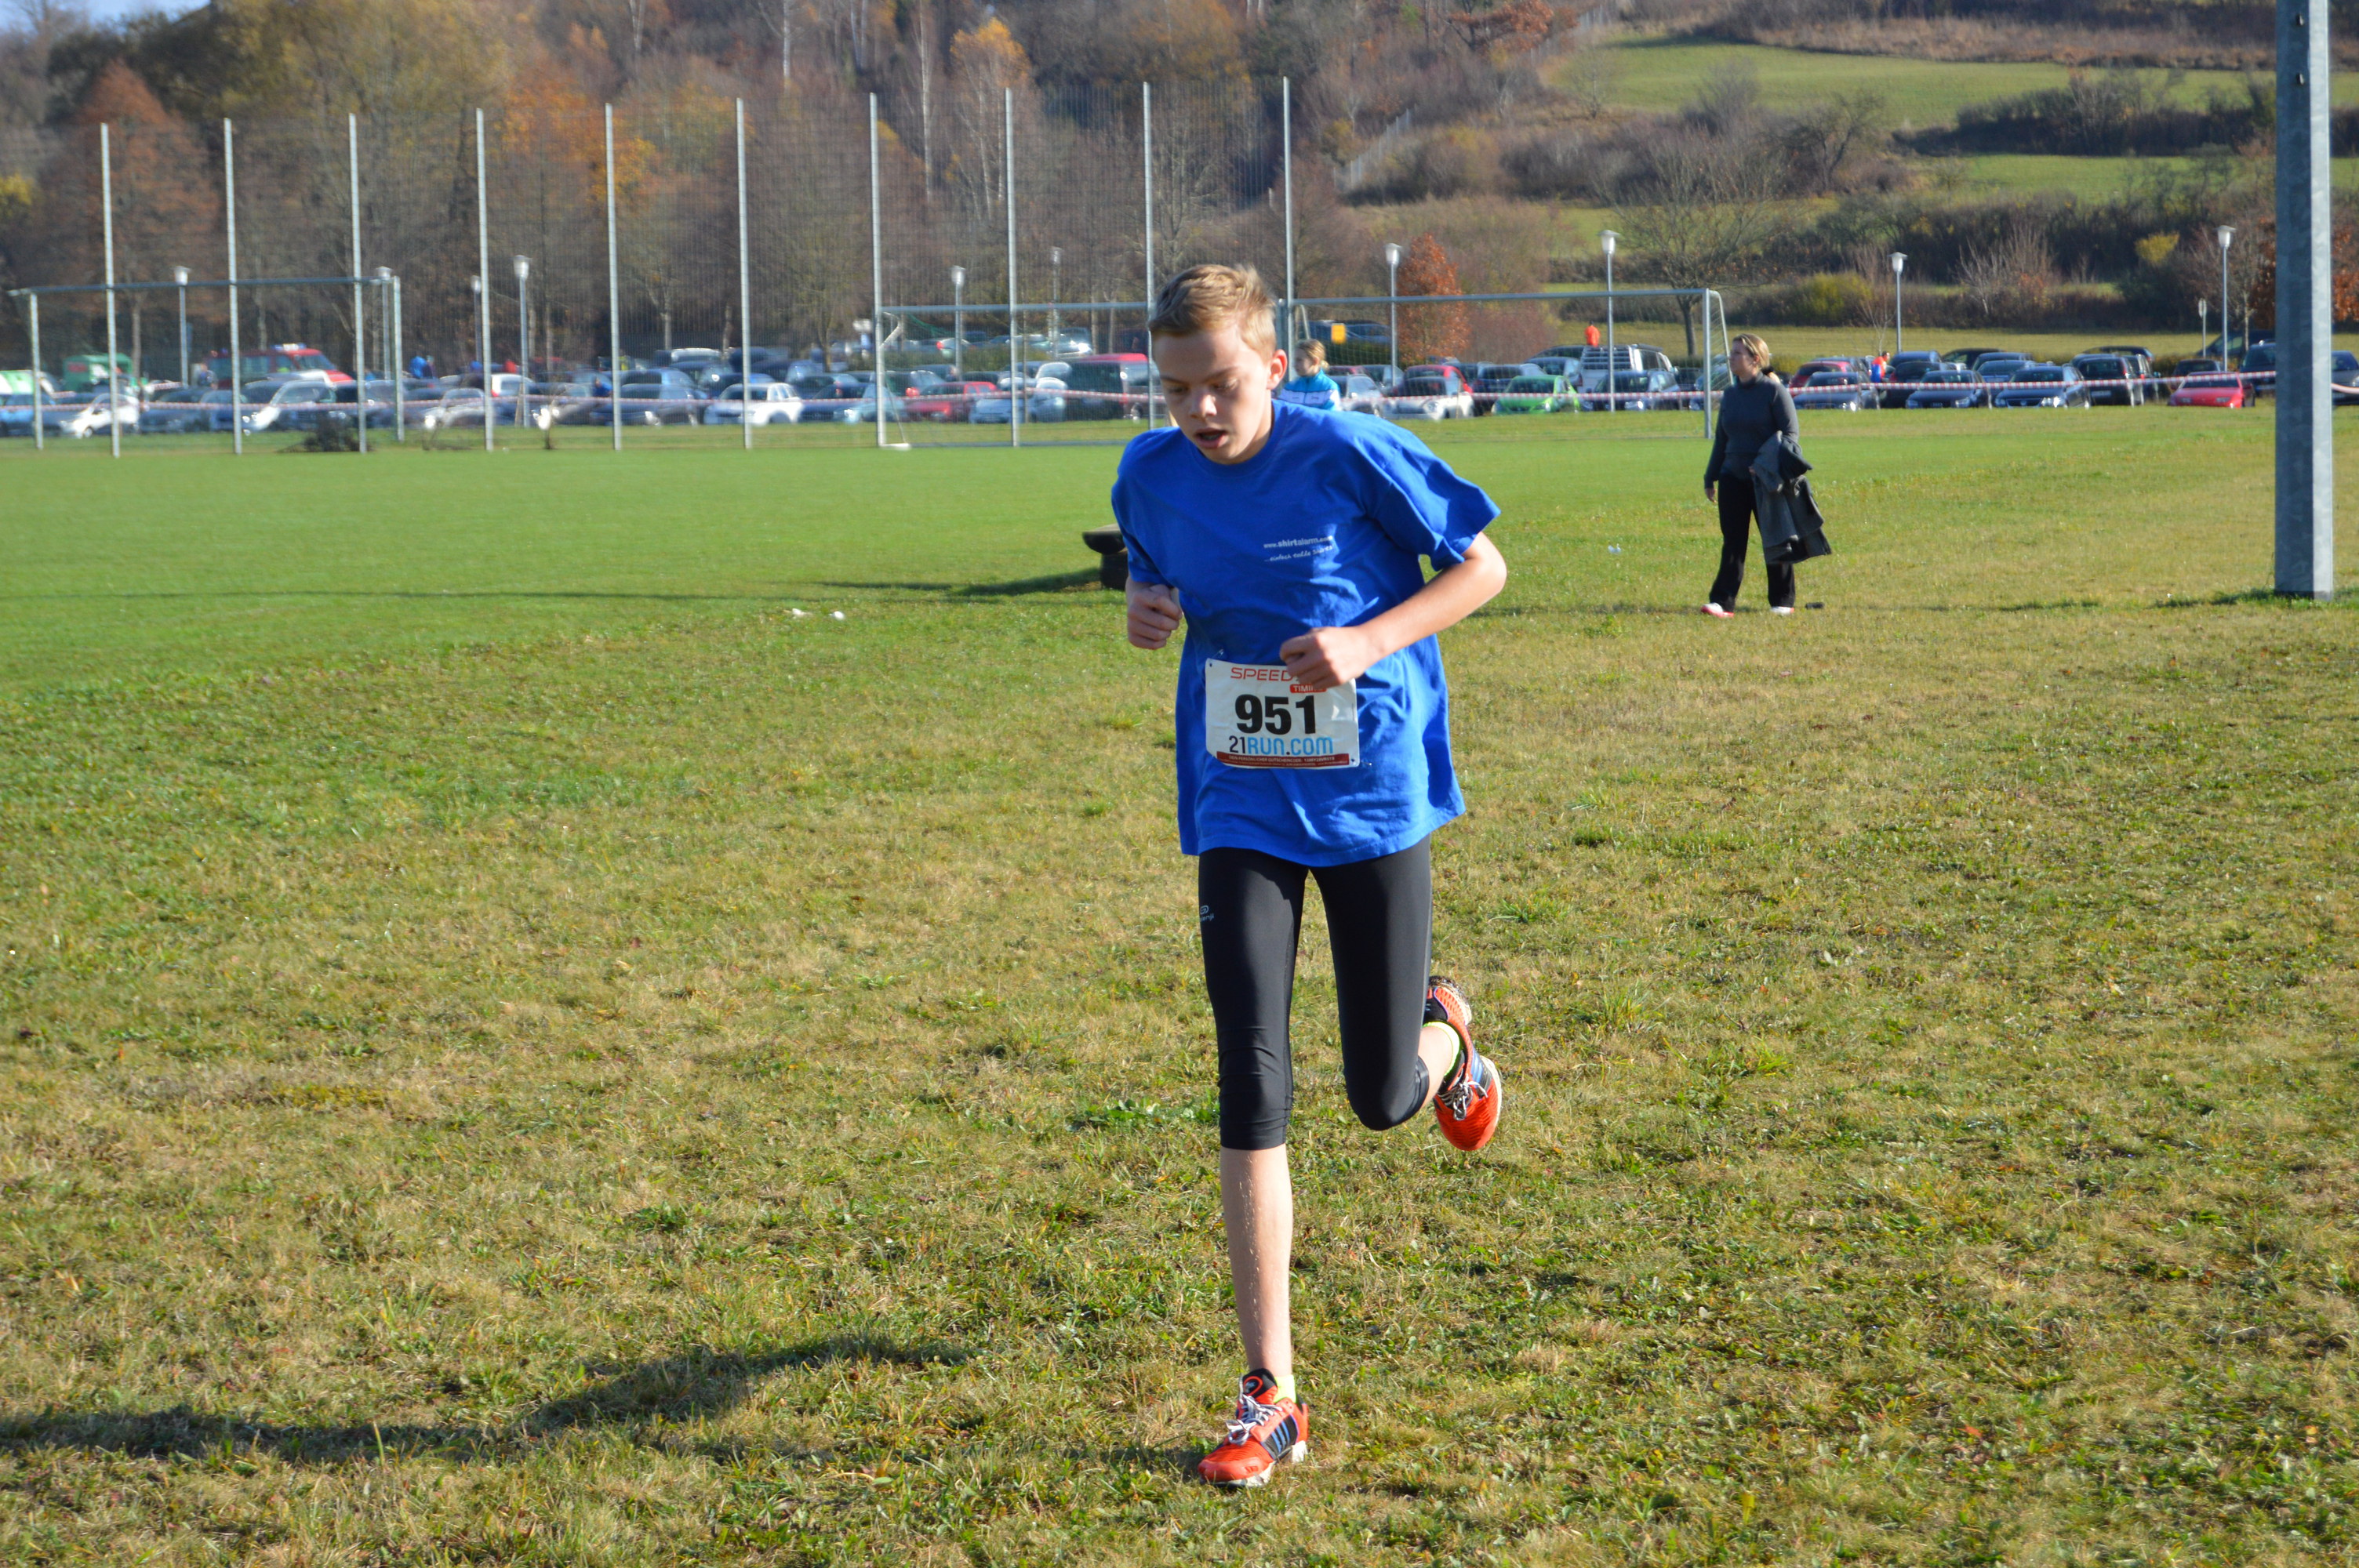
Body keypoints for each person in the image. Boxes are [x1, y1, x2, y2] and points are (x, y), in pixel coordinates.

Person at [1114, 263, 1509, 1490]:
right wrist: (1144, 604)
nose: (1198, 411)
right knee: (1249, 1070)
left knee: (1383, 1098)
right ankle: (1271, 1393)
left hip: (1371, 796)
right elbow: (1153, 564)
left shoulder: (1349, 452)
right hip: (1240, 798)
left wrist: (1366, 640)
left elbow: (1483, 568)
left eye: (1221, 385)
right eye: (1175, 389)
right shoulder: (1148, 473)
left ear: (1274, 368)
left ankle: (1447, 1036)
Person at [1700, 332, 1801, 619]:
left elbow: (1791, 435)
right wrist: (1711, 476)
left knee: (1775, 538)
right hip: (1732, 477)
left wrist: (1767, 463)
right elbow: (1722, 439)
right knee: (1733, 541)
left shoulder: (1774, 392)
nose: (1730, 358)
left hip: (1765, 479)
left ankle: (1782, 600)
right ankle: (1723, 602)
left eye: (1737, 354)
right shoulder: (1730, 395)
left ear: (1755, 359)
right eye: (1731, 353)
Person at [1274, 337, 1339, 410]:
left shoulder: (1329, 388)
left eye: (1299, 360)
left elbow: (1330, 415)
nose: (1294, 365)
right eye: (1295, 360)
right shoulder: (1289, 388)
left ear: (1315, 361)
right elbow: (1280, 413)